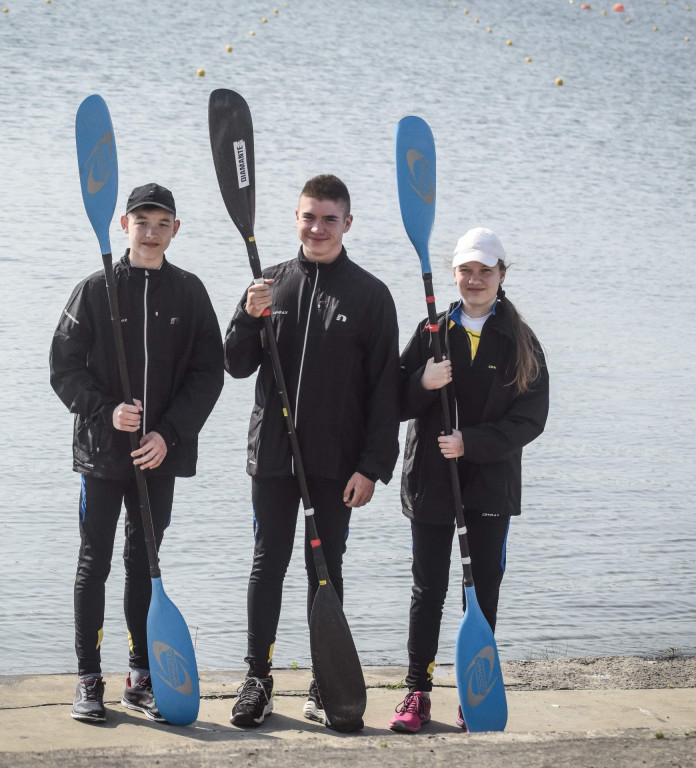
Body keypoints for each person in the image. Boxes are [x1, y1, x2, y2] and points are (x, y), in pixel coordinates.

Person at [224, 174, 400, 728]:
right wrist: (247, 318)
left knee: (325, 567)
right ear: (295, 219)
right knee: (266, 564)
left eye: (329, 218)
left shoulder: (370, 295)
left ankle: (326, 682)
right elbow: (234, 362)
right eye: (308, 217)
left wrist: (373, 467)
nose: (317, 228)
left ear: (347, 223)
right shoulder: (269, 282)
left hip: (334, 464)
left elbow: (385, 394)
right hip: (273, 457)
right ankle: (259, 678)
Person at [50, 183, 224, 724]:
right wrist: (105, 411)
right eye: (142, 221)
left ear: (176, 229)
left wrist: (168, 434)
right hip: (103, 456)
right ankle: (87, 678)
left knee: (143, 563)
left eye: (162, 223)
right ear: (124, 224)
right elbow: (64, 368)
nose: (151, 232)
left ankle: (140, 675)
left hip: (158, 456)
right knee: (94, 562)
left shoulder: (190, 293)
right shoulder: (94, 290)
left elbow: (208, 374)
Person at [388, 227, 549, 733]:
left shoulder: (520, 339)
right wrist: (422, 381)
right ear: (454, 274)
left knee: (480, 594)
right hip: (432, 484)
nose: (475, 280)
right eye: (466, 271)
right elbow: (393, 401)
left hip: (490, 489)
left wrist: (471, 443)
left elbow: (531, 418)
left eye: (485, 271)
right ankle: (417, 691)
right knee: (428, 589)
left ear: (502, 275)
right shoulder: (432, 331)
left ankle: (472, 692)